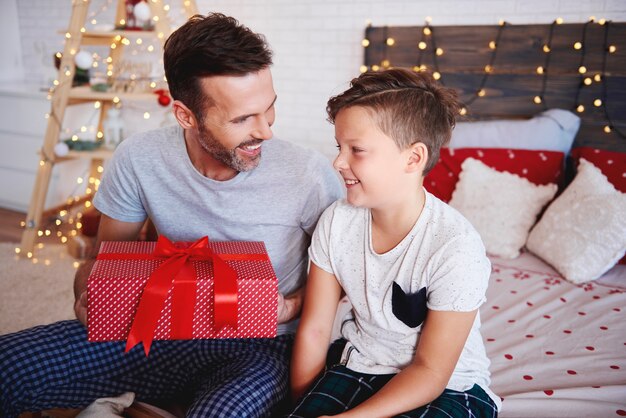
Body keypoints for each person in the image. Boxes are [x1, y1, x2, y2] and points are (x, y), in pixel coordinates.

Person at [0, 13, 343, 417]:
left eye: (269, 108)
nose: (266, 130)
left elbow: (346, 279)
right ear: (185, 115)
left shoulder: (308, 173)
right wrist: (87, 289)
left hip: (260, 347)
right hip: (153, 328)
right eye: (242, 119)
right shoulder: (139, 158)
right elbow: (108, 258)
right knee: (9, 368)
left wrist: (290, 305)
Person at [287, 68, 501, 417]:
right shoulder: (336, 222)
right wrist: (300, 406)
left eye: (356, 149)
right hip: (362, 363)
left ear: (413, 158)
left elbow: (432, 371)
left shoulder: (456, 247)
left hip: (449, 385)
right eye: (339, 147)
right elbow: (315, 329)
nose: (338, 162)